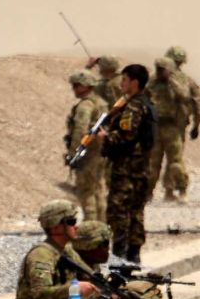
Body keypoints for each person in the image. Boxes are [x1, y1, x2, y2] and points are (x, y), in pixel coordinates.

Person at [0, 200, 97, 299]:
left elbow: (90, 275)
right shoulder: (41, 255)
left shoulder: (66, 250)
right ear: (55, 227)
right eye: (71, 222)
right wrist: (73, 289)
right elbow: (40, 294)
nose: (76, 226)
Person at [99, 64, 156, 262]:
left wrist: (105, 136)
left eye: (124, 79)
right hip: (141, 169)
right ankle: (133, 256)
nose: (121, 83)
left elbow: (126, 135)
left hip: (126, 170)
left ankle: (120, 256)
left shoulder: (133, 106)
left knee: (119, 212)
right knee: (136, 212)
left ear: (134, 82)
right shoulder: (147, 103)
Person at [69, 220, 161, 299]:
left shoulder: (92, 266)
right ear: (87, 246)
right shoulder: (70, 269)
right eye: (104, 244)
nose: (108, 249)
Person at [146, 57, 193, 202]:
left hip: (172, 127)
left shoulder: (178, 81)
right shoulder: (151, 82)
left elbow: (185, 96)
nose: (160, 72)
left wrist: (170, 80)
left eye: (163, 69)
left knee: (175, 162)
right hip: (155, 126)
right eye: (158, 68)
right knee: (153, 163)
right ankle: (148, 193)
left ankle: (182, 189)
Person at [65, 69, 107, 221]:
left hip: (89, 154)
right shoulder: (101, 103)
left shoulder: (85, 105)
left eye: (76, 85)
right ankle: (102, 224)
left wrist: (74, 154)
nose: (74, 89)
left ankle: (90, 225)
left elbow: (80, 131)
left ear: (85, 86)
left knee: (86, 191)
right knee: (98, 189)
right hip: (100, 153)